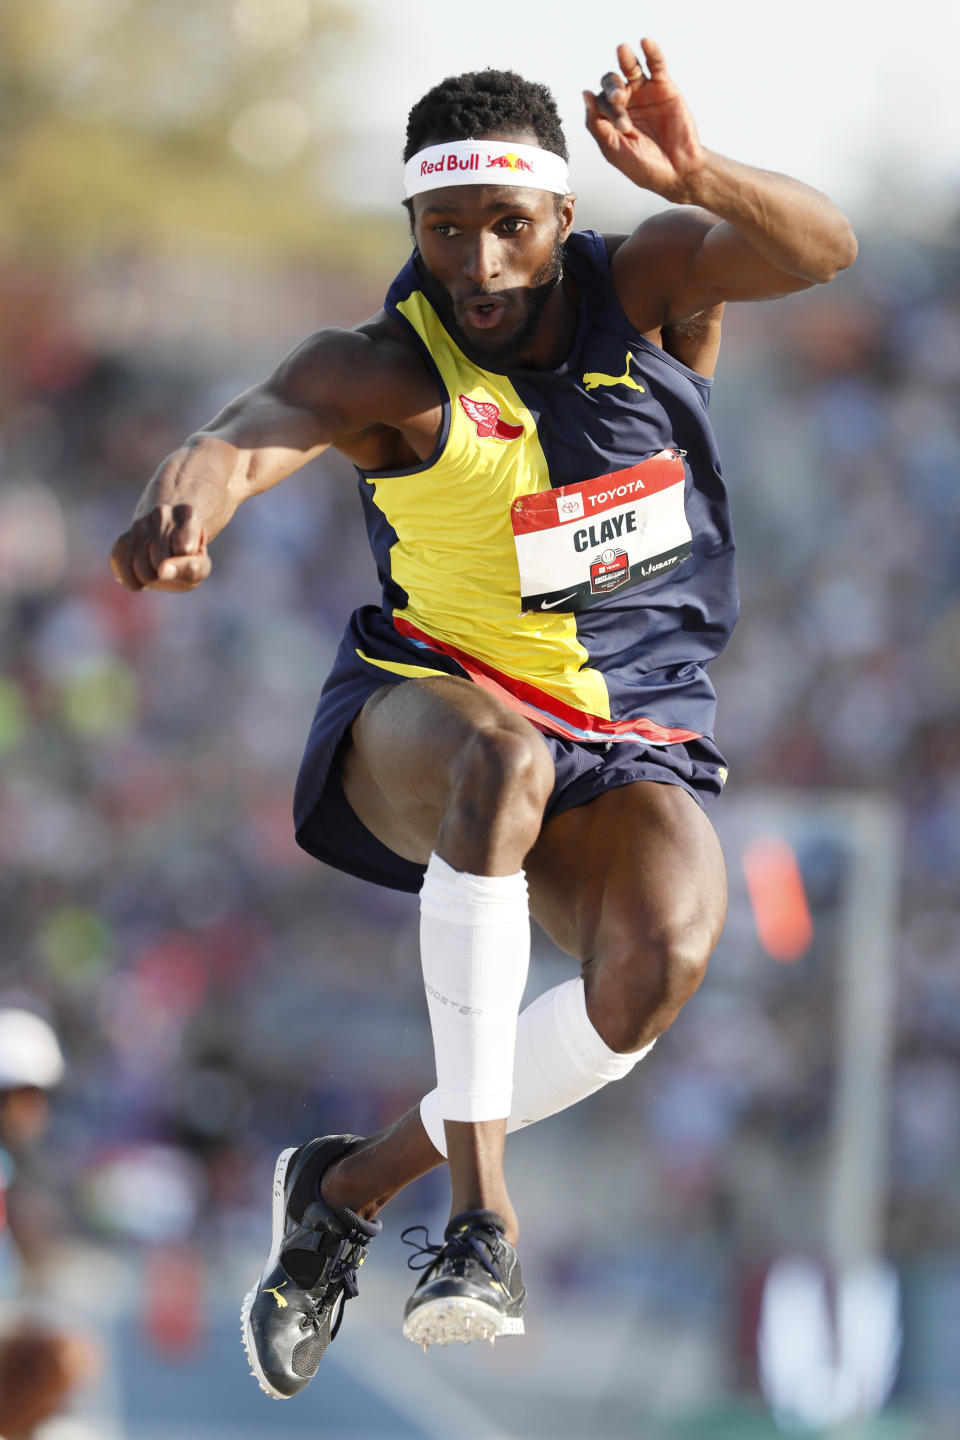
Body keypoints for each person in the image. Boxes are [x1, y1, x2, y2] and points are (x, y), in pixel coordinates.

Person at [110, 39, 856, 1398]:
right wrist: (186, 504)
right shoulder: (387, 370)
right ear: (413, 230)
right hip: (426, 709)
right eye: (444, 230)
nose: (481, 264)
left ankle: (347, 1189)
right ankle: (479, 1222)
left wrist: (695, 171)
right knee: (502, 761)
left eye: (509, 226)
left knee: (658, 968)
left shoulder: (652, 289)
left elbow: (824, 247)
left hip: (627, 732)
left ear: (562, 219)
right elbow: (246, 430)